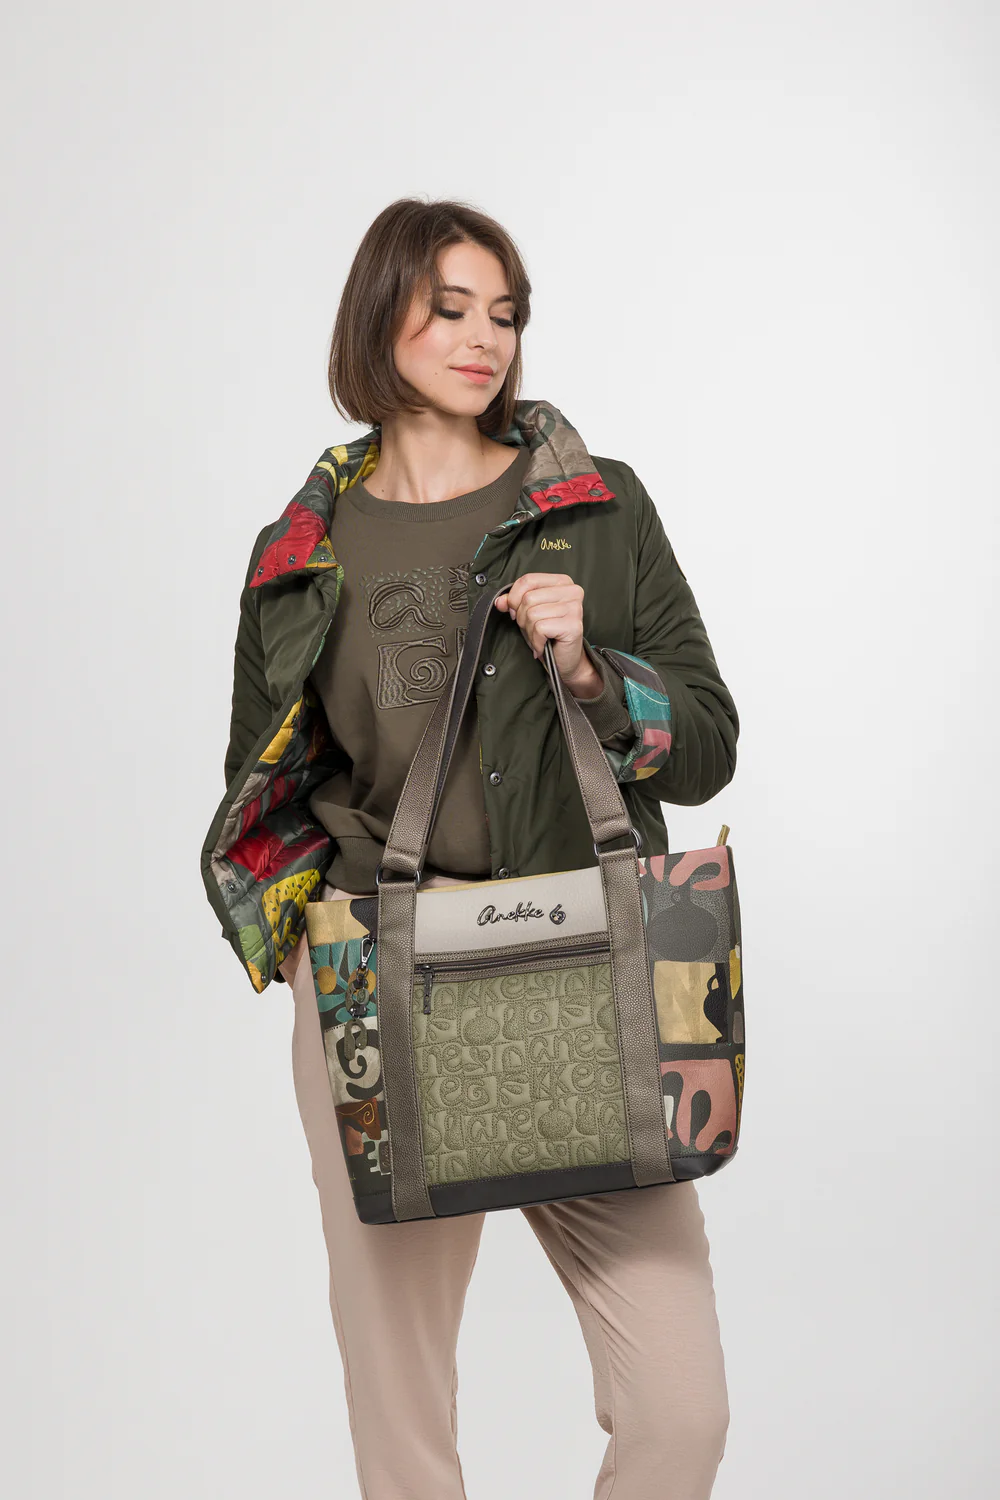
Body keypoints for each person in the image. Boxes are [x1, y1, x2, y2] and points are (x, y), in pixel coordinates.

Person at [201, 197, 740, 1499]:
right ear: (375, 317)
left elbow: (708, 743)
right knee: (404, 1427)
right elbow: (262, 784)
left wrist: (597, 675)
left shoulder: (599, 508)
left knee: (681, 1410)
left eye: (504, 312)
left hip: (587, 965)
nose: (483, 337)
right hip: (382, 982)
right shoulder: (298, 555)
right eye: (448, 308)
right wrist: (309, 945)